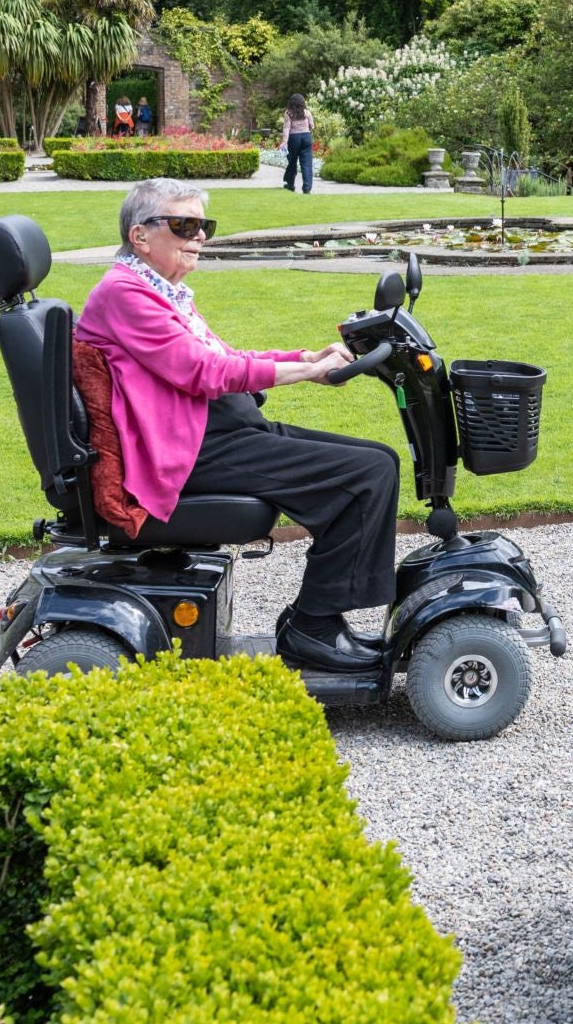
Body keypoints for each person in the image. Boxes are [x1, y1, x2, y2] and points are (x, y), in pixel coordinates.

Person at [76, 177, 401, 672]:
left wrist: (304, 359)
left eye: (204, 225)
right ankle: (313, 629)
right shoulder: (126, 294)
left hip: (220, 432)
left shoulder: (160, 290)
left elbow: (224, 356)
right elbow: (205, 372)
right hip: (193, 450)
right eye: (185, 224)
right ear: (140, 236)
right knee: (367, 474)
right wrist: (309, 372)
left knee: (378, 460)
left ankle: (318, 621)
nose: (200, 235)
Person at [279, 94, 316, 193]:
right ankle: (307, 188)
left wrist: (284, 142)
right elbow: (312, 126)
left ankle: (290, 185)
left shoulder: (288, 113)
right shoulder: (307, 112)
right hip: (306, 138)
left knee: (292, 162)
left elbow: (286, 128)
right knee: (307, 164)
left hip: (294, 139)